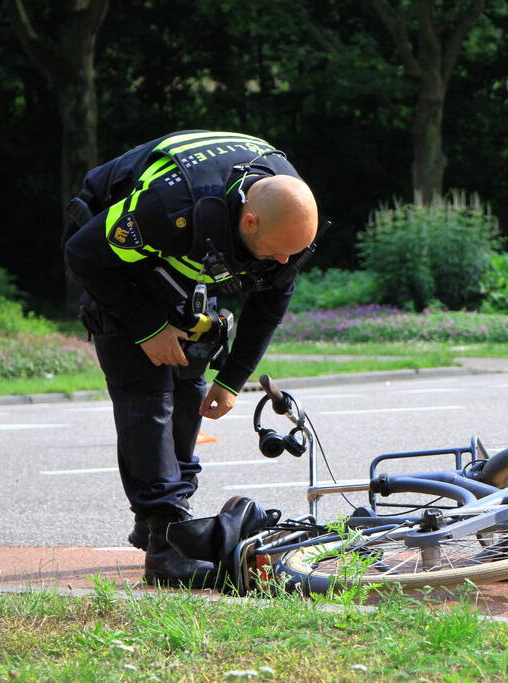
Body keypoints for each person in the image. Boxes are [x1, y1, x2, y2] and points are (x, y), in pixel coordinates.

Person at [64, 130, 319, 587]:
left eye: (294, 254)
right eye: (280, 250)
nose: (285, 259)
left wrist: (232, 379)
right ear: (251, 221)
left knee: (188, 391)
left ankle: (160, 521)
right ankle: (165, 549)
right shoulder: (170, 207)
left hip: (185, 268)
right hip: (118, 265)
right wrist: (148, 327)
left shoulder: (287, 214)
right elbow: (83, 253)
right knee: (149, 402)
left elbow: (270, 303)